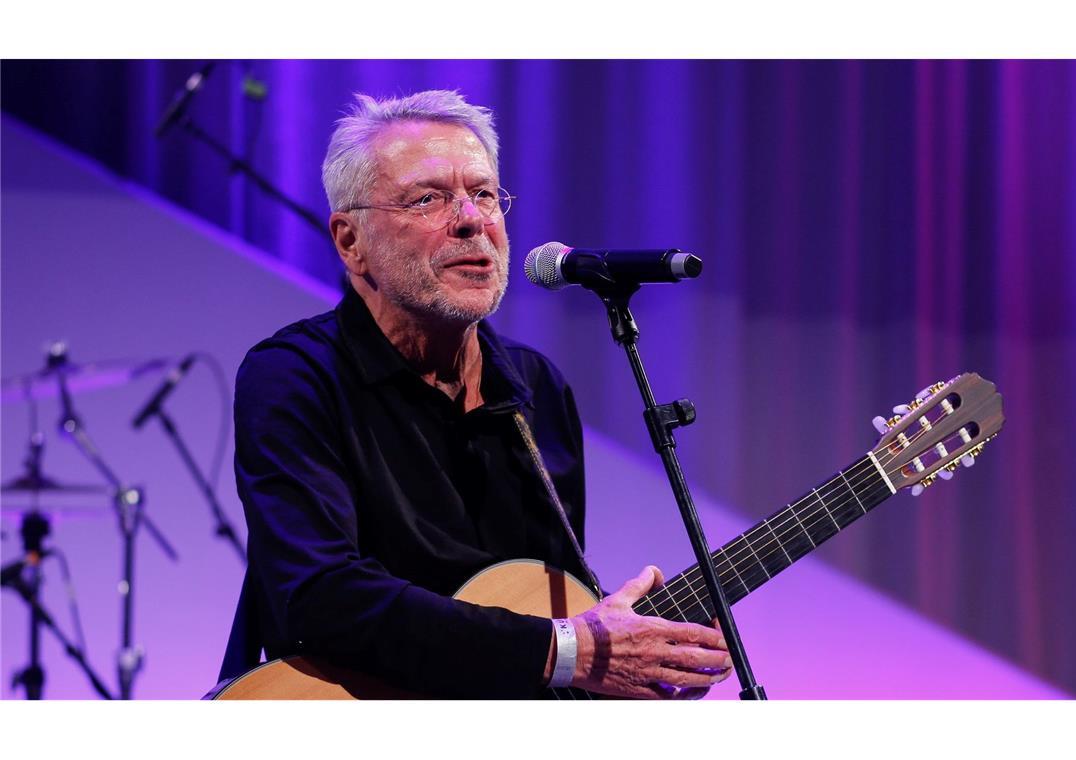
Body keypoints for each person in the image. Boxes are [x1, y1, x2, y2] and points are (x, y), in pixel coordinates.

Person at [220, 90, 731, 699]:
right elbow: (320, 596)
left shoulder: (537, 388)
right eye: (428, 198)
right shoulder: (295, 377)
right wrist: (570, 651)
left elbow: (542, 628)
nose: (471, 220)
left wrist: (636, 663)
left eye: (484, 194)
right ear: (351, 241)